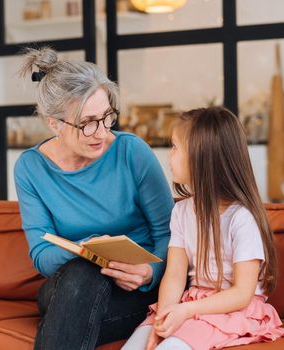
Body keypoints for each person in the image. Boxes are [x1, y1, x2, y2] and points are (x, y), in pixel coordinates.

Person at [14, 46, 174, 350]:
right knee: (83, 272)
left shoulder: (131, 152)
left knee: (71, 317)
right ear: (54, 123)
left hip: (134, 291)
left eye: (106, 117)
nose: (100, 132)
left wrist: (149, 273)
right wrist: (84, 250)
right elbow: (41, 255)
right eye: (87, 122)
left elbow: (170, 233)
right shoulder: (31, 168)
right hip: (67, 286)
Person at [122, 107, 284, 350]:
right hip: (190, 303)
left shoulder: (241, 218)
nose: (168, 156)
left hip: (230, 309)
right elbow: (174, 276)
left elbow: (242, 293)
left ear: (201, 157)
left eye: (174, 147)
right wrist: (163, 321)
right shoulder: (182, 212)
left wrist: (186, 310)